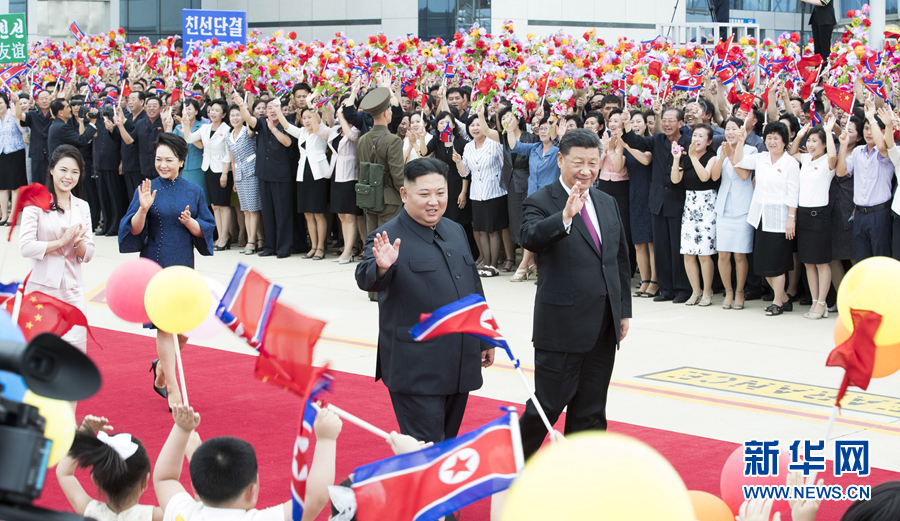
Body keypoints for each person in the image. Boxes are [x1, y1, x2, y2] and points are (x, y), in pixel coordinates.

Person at [355, 158, 495, 443]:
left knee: (445, 446)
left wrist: (485, 337)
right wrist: (381, 267)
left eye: (440, 193)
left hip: (459, 362)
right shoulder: (386, 236)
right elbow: (366, 278)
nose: (434, 201)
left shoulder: (454, 230)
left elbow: (473, 287)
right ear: (404, 194)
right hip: (416, 368)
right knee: (425, 450)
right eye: (424, 194)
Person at [517, 129, 631, 460]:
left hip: (603, 326)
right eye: (578, 162)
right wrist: (565, 216)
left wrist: (623, 310)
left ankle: (581, 472)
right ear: (560, 160)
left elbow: (618, 260)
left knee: (591, 409)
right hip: (562, 327)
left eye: (593, 162)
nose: (586, 170)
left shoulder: (607, 202)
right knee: (547, 406)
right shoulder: (541, 201)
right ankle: (511, 466)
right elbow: (529, 237)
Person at [119, 133, 214, 409]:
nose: (162, 165)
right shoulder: (146, 189)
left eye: (169, 160)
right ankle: (173, 390)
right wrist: (142, 210)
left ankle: (161, 367)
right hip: (155, 265)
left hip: (183, 265)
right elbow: (133, 230)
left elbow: (206, 229)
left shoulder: (194, 191)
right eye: (159, 159)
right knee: (165, 326)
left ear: (181, 161)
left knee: (185, 329)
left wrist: (192, 224)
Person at [154, 405, 340, 521]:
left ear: (195, 489)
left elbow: (165, 479)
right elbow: (314, 498)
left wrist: (182, 429)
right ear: (253, 491)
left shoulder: (183, 515)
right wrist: (326, 438)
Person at [19, 145, 93, 358]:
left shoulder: (82, 207)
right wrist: (60, 242)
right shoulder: (35, 203)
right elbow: (25, 246)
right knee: (41, 351)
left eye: (75, 172)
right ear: (52, 170)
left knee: (74, 351)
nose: (68, 176)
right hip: (42, 289)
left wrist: (77, 244)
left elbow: (88, 254)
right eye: (63, 170)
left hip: (72, 290)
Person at [622, 108, 693, 303]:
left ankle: (682, 290)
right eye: (665, 120)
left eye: (671, 120)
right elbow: (636, 142)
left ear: (680, 123)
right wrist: (627, 124)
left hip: (678, 201)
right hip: (657, 202)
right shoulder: (657, 139)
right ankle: (666, 289)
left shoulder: (688, 142)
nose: (667, 123)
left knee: (677, 249)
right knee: (661, 248)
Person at [733, 122, 800, 316]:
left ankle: (777, 302)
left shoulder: (790, 163)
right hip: (760, 217)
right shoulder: (761, 158)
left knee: (776, 264)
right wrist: (740, 141)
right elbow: (739, 161)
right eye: (769, 138)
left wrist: (791, 218)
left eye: (776, 138)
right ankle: (784, 299)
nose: (772, 142)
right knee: (764, 264)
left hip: (780, 219)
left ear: (784, 141)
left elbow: (793, 193)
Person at [56, 415, 163, 521]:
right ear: (145, 481)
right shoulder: (155, 516)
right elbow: (169, 483)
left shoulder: (91, 511)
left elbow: (64, 474)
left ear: (95, 479)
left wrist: (84, 433)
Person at [500, 113, 560, 281]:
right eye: (541, 128)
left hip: (550, 198)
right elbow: (514, 146)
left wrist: (559, 132)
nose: (543, 131)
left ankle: (525, 265)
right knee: (532, 230)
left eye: (547, 128)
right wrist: (510, 129)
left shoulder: (558, 151)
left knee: (545, 232)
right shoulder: (534, 148)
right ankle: (529, 265)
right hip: (533, 197)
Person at [234, 94, 294, 259]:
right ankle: (269, 247)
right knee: (267, 213)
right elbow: (248, 119)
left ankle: (283, 248)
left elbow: (287, 142)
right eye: (269, 108)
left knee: (282, 214)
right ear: (265, 111)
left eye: (275, 108)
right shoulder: (261, 122)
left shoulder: (286, 124)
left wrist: (273, 129)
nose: (272, 111)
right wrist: (242, 106)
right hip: (263, 174)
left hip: (281, 175)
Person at [789, 117, 838, 320]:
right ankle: (815, 301)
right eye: (809, 141)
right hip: (804, 215)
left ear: (824, 144)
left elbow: (833, 156)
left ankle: (822, 303)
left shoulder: (828, 161)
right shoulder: (806, 159)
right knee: (808, 262)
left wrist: (828, 131)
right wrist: (801, 134)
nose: (810, 145)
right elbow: (792, 153)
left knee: (821, 262)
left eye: (815, 141)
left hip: (820, 216)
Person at [274, 97, 332, 261]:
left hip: (318, 174)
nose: (307, 120)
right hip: (303, 174)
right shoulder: (302, 133)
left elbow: (318, 122)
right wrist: (277, 108)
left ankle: (321, 247)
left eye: (309, 117)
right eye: (304, 118)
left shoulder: (321, 131)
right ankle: (313, 246)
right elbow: (286, 125)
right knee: (307, 213)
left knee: (318, 213)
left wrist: (312, 106)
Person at [455, 106, 509, 277]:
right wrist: (458, 162)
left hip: (495, 192)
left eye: (479, 124)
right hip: (476, 194)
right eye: (472, 125)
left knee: (493, 230)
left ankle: (493, 265)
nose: (475, 128)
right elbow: (464, 172)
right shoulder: (468, 147)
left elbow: (505, 165)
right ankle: (486, 263)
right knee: (481, 230)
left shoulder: (494, 143)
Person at [710, 117, 756, 310]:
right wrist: (722, 157)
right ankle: (728, 291)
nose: (730, 132)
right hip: (723, 207)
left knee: (739, 254)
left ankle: (739, 292)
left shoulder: (751, 151)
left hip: (742, 207)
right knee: (723, 254)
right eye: (727, 129)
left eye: (734, 129)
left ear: (741, 131)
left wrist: (731, 155)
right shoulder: (721, 149)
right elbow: (714, 176)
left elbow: (744, 176)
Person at [837, 104, 894, 260]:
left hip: (879, 214)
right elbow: (841, 172)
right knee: (862, 260)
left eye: (872, 128)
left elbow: (882, 146)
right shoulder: (857, 151)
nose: (868, 132)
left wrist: (870, 117)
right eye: (866, 128)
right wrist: (843, 146)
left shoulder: (887, 152)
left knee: (881, 260)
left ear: (883, 132)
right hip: (859, 215)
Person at [671, 124, 718, 306]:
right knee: (688, 253)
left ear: (709, 141)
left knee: (704, 253)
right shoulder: (685, 158)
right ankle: (695, 291)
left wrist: (692, 157)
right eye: (695, 135)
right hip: (690, 206)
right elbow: (675, 179)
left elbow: (705, 176)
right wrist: (677, 159)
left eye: (701, 136)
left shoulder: (711, 157)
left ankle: (707, 291)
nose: (696, 139)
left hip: (706, 206)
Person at [185, 98, 233, 251]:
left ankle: (225, 237)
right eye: (211, 110)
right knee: (214, 205)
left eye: (217, 110)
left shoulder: (227, 129)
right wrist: (185, 124)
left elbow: (228, 154)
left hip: (222, 170)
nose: (213, 113)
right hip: (208, 168)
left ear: (223, 114)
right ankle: (219, 236)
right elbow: (189, 138)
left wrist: (225, 174)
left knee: (223, 205)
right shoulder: (205, 128)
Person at [356, 87, 405, 234]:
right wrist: (406, 195)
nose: (391, 112)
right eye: (390, 109)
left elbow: (360, 171)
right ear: (385, 113)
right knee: (388, 240)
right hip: (389, 199)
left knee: (373, 240)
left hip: (369, 197)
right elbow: (398, 176)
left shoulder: (362, 139)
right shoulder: (393, 140)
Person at [331, 93, 365, 264]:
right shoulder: (336, 129)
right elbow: (321, 129)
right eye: (341, 105)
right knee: (342, 216)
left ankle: (348, 251)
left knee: (350, 216)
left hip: (351, 175)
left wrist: (342, 117)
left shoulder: (358, 127)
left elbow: (351, 135)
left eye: (347, 106)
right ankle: (347, 248)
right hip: (337, 175)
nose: (343, 109)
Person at [225, 104, 263, 255]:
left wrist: (244, 107)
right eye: (232, 115)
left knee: (253, 209)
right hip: (240, 175)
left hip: (251, 172)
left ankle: (251, 241)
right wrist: (235, 180)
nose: (235, 118)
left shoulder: (248, 131)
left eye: (238, 115)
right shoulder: (228, 137)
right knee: (246, 210)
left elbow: (251, 126)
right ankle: (255, 239)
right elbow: (233, 160)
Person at [626, 110, 656, 298]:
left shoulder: (650, 142)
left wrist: (627, 146)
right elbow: (619, 167)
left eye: (639, 121)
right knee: (639, 243)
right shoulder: (625, 145)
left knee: (651, 243)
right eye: (632, 122)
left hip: (649, 194)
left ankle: (655, 281)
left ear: (646, 124)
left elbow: (646, 160)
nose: (635, 125)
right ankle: (644, 281)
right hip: (634, 194)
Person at [173, 98, 207, 204]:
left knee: (198, 197)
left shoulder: (202, 127)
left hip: (197, 167)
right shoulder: (178, 127)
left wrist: (187, 132)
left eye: (189, 109)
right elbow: (171, 145)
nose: (186, 111)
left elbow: (201, 145)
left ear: (196, 111)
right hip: (181, 168)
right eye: (184, 109)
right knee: (184, 198)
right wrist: (167, 126)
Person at [0, 91, 26, 224]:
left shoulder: (12, 113)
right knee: (2, 186)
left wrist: (16, 116)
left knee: (15, 185)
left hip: (15, 152)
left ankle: (13, 216)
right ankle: (4, 215)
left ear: (6, 103)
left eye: (0, 103)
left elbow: (24, 130)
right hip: (1, 154)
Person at [19, 89, 53, 186]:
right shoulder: (32, 114)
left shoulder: (56, 114)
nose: (44, 101)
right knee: (37, 183)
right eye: (41, 99)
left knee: (52, 183)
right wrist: (17, 102)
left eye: (46, 98)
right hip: (37, 154)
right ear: (37, 101)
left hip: (52, 154)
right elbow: (20, 116)